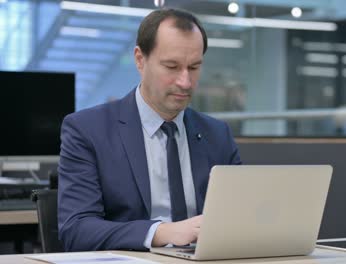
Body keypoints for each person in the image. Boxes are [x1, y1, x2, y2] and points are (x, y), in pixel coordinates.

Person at [57, 8, 242, 252]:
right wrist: (160, 232)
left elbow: (241, 217)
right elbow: (76, 229)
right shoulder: (87, 130)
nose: (185, 82)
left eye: (194, 67)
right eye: (172, 66)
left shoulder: (217, 134)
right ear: (140, 59)